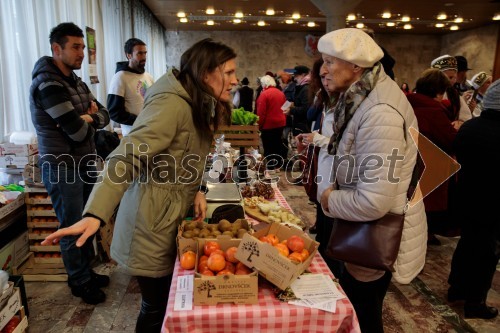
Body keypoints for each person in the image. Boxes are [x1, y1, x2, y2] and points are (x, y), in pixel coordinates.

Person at [42, 38, 237, 332]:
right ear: (205, 72)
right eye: (229, 72)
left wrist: (198, 189)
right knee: (155, 307)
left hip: (168, 217)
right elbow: (126, 156)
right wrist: (95, 213)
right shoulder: (172, 104)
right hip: (151, 224)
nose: (235, 81)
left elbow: (188, 155)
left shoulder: (195, 99)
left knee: (163, 303)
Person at [317, 28, 427, 333]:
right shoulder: (363, 95)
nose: (323, 70)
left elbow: (373, 202)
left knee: (362, 314)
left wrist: (327, 199)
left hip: (372, 231)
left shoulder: (379, 111)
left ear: (356, 66)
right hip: (360, 226)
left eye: (329, 62)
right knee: (358, 309)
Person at [29, 22, 111, 305]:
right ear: (56, 48)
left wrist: (91, 117)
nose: (81, 53)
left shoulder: (76, 82)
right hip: (62, 165)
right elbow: (75, 130)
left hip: (85, 160)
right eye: (75, 47)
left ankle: (86, 271)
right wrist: (88, 118)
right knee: (71, 224)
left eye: (83, 47)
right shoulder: (48, 85)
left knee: (87, 220)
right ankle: (79, 281)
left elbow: (105, 114)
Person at [447, 79, 500, 319]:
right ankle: (475, 302)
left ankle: (456, 289)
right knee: (487, 252)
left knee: (468, 242)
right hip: (492, 202)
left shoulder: (469, 127)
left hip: (465, 197)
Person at [406, 69, 458, 246]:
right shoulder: (434, 111)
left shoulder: (407, 104)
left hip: (409, 161)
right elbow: (450, 139)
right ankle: (424, 235)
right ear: (438, 91)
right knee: (426, 207)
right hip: (430, 164)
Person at [107, 38, 154, 136]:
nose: (144, 57)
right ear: (129, 55)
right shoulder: (120, 77)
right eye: (139, 53)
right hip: (133, 136)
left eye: (145, 53)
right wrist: (139, 121)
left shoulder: (148, 76)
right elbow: (114, 112)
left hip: (151, 132)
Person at [431, 55, 472, 128]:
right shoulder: (424, 90)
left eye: (454, 77)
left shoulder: (454, 94)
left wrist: (460, 122)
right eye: (450, 77)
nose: (453, 81)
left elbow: (466, 117)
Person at [256, 75, 286, 171]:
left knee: (268, 145)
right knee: (277, 144)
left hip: (268, 124)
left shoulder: (264, 94)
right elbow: (285, 107)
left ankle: (270, 166)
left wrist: (259, 125)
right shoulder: (281, 93)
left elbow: (261, 112)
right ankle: (278, 166)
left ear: (264, 84)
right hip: (280, 123)